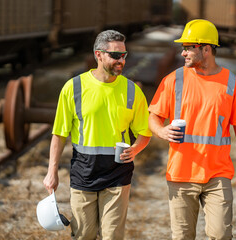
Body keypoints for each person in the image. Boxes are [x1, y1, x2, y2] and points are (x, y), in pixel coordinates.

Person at [148, 19, 236, 240]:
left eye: (188, 47)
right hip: (181, 174)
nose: (183, 53)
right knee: (182, 237)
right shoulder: (174, 80)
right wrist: (161, 131)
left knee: (221, 236)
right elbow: (154, 116)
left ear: (206, 49)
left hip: (217, 175)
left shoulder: (232, 83)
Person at [43, 30, 152, 239]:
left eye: (124, 55)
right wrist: (52, 171)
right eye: (115, 55)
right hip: (83, 172)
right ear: (98, 55)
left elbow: (145, 132)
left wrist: (136, 149)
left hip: (118, 173)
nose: (121, 61)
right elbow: (59, 134)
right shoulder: (73, 88)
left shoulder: (132, 91)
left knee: (112, 236)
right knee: (84, 235)